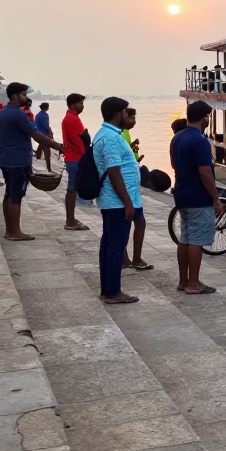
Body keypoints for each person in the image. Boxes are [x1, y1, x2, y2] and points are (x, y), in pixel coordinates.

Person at [0, 83, 63, 241]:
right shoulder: (18, 114)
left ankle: (9, 230)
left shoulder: (2, 113)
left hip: (6, 158)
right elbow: (36, 135)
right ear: (14, 96)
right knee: (16, 196)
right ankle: (15, 231)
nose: (26, 97)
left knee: (9, 194)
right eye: (24, 94)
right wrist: (58, 146)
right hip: (17, 160)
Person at [93, 97, 143, 303]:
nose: (127, 114)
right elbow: (114, 172)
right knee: (115, 246)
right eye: (125, 111)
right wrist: (128, 203)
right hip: (117, 202)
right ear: (117, 114)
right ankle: (113, 292)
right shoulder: (110, 138)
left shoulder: (110, 134)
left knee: (110, 244)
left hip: (115, 201)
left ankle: (108, 289)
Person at [169, 100, 220, 295]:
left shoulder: (176, 138)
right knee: (197, 240)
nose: (209, 119)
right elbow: (205, 172)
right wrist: (216, 198)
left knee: (185, 238)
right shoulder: (200, 141)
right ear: (204, 117)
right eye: (208, 116)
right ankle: (194, 283)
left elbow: (174, 164)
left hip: (181, 192)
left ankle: (183, 280)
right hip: (198, 196)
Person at [118, 107, 151, 271]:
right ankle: (131, 258)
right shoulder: (121, 134)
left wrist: (133, 150)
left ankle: (129, 258)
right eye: (132, 117)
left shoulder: (124, 134)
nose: (134, 121)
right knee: (136, 223)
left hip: (131, 190)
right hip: (127, 190)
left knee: (134, 224)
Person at [61, 93, 92, 230]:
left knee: (73, 188)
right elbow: (76, 140)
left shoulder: (73, 118)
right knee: (72, 188)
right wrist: (85, 155)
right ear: (73, 105)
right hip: (75, 158)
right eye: (80, 103)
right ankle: (70, 220)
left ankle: (71, 218)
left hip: (75, 157)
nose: (83, 106)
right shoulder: (71, 119)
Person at [33, 102, 53, 170]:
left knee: (41, 146)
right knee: (47, 150)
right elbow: (46, 126)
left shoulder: (37, 115)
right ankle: (49, 167)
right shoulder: (45, 115)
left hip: (38, 134)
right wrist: (50, 133)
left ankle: (37, 158)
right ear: (47, 108)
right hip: (44, 134)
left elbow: (34, 124)